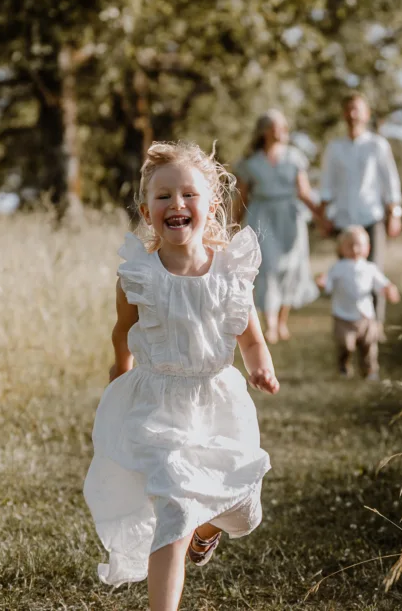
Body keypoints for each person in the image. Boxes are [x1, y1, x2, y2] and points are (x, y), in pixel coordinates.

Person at [83, 141, 279, 611]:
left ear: (211, 205)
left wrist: (260, 366)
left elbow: (250, 337)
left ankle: (205, 532)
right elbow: (123, 331)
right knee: (173, 502)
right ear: (147, 211)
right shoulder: (139, 275)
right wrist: (120, 371)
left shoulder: (230, 274)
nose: (176, 204)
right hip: (158, 404)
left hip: (216, 402)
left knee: (242, 508)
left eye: (188, 194)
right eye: (163, 196)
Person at [235, 110, 321, 343]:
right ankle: (270, 325)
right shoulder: (250, 163)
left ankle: (282, 322)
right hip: (262, 216)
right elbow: (241, 197)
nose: (283, 130)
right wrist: (232, 226)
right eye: (277, 126)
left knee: (292, 268)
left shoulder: (295, 158)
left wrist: (321, 216)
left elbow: (304, 192)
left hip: (290, 218)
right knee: (267, 268)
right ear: (264, 131)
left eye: (284, 126)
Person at [318, 92, 402, 326]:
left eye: (357, 109)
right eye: (349, 109)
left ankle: (374, 328)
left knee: (373, 273)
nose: (353, 114)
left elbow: (390, 183)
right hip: (344, 221)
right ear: (344, 114)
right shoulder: (334, 148)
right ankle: (347, 325)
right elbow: (327, 184)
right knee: (345, 276)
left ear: (367, 114)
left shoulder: (377, 145)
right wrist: (323, 216)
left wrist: (394, 213)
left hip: (371, 218)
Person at [315, 226, 401, 380]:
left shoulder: (370, 268)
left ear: (367, 248)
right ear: (341, 249)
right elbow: (328, 284)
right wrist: (322, 282)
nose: (355, 249)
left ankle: (369, 371)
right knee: (346, 345)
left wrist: (389, 290)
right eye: (349, 245)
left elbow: (382, 284)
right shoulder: (338, 268)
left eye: (359, 245)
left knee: (369, 346)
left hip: (366, 315)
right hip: (343, 316)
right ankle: (343, 366)